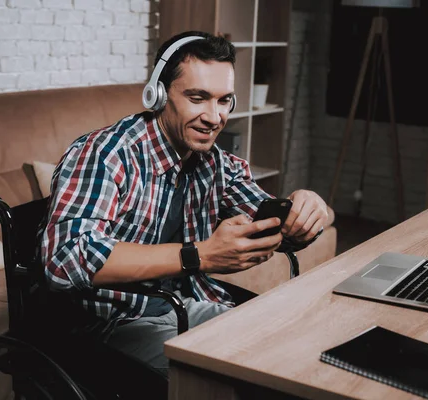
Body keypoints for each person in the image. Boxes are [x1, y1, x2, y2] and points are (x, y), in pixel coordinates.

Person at [40, 30, 328, 375]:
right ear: (159, 95)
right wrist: (201, 254)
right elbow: (65, 259)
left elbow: (270, 219)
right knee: (242, 373)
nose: (214, 116)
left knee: (292, 342)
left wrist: (305, 212)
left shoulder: (213, 162)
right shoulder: (106, 155)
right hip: (107, 324)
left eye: (224, 101)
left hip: (180, 306)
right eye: (198, 97)